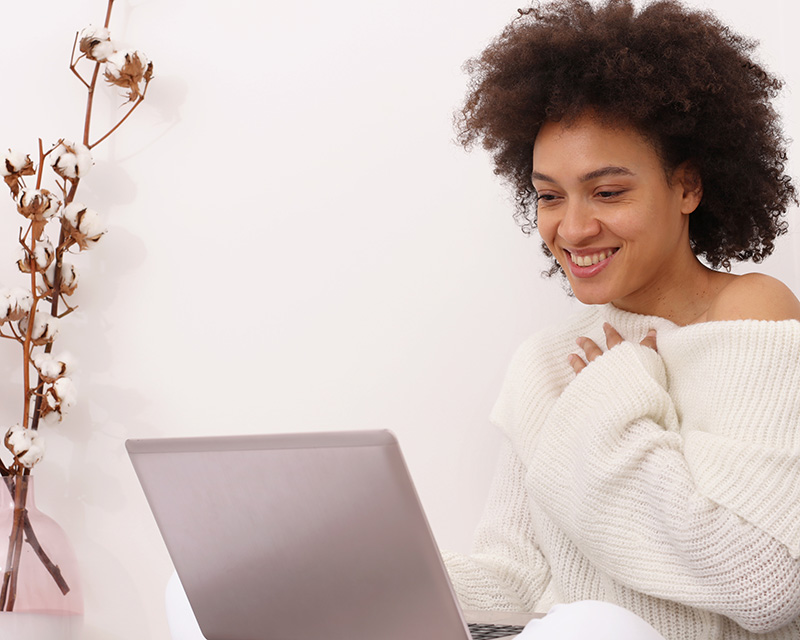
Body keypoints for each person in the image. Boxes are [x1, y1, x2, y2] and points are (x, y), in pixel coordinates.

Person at [441, 1, 800, 639]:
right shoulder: (546, 365)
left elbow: (766, 580)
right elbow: (513, 580)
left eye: (608, 192)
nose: (572, 228)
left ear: (687, 187)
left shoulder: (752, 311)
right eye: (549, 195)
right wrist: (368, 573)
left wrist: (615, 397)